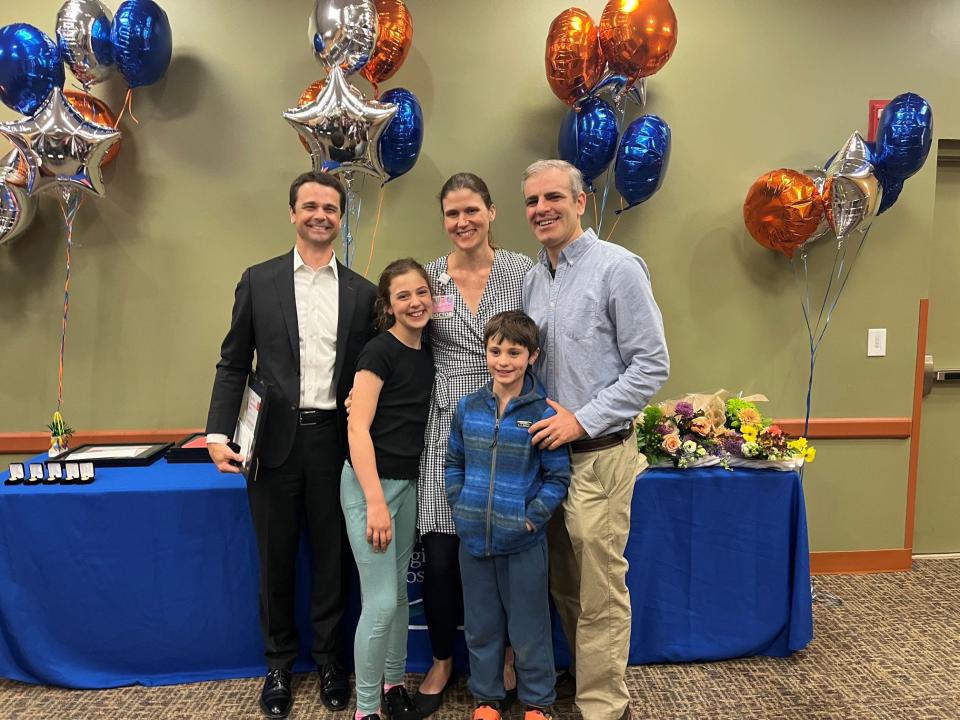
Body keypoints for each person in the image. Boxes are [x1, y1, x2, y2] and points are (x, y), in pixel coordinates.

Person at [205, 171, 377, 719]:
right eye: (310, 206)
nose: (320, 215)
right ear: (292, 213)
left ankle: (330, 661)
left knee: (333, 561)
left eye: (330, 207)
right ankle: (278, 664)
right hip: (270, 448)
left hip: (335, 446)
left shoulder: (364, 293)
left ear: (340, 216)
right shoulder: (258, 281)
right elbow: (234, 363)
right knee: (275, 561)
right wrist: (216, 433)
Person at [520, 159, 670, 720]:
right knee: (564, 582)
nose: (542, 209)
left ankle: (605, 706)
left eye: (554, 197)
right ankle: (586, 678)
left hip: (599, 457)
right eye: (532, 201)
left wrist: (581, 420)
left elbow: (651, 366)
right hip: (548, 464)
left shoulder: (618, 268)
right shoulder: (536, 278)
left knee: (601, 589)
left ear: (580, 202)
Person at [414, 173, 533, 716]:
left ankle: (508, 656)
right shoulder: (429, 279)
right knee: (441, 557)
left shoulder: (522, 272)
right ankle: (442, 660)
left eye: (471, 211)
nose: (462, 223)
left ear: (490, 211)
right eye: (452, 214)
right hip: (445, 432)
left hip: (509, 425)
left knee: (504, 551)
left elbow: (538, 346)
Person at [445, 311, 571, 720]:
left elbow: (557, 478)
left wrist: (531, 518)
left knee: (529, 628)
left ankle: (537, 702)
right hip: (474, 539)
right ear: (485, 353)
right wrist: (461, 503)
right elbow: (454, 461)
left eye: (514, 352)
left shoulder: (545, 413)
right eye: (495, 350)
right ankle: (487, 699)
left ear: (532, 356)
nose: (503, 360)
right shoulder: (468, 407)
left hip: (523, 541)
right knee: (481, 627)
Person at [342, 258, 435, 720]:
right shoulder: (378, 351)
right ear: (388, 305)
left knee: (398, 596)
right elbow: (357, 429)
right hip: (370, 488)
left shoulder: (428, 350)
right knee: (379, 604)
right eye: (404, 295)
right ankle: (364, 709)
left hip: (410, 484)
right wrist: (374, 502)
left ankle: (394, 683)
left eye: (422, 292)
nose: (415, 302)